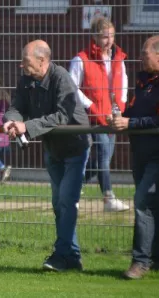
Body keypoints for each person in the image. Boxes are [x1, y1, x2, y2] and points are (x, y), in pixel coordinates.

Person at [3, 40, 91, 272]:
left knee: (66, 201)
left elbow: (62, 116)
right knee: (58, 203)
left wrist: (27, 127)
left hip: (75, 148)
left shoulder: (61, 77)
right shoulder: (26, 80)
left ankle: (61, 255)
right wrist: (11, 120)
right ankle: (71, 257)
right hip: (53, 149)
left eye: (26, 61)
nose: (21, 65)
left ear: (42, 61)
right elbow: (16, 107)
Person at [109, 35, 159, 280]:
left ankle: (140, 261)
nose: (141, 57)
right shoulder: (146, 80)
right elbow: (133, 109)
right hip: (141, 151)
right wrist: (120, 117)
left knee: (142, 200)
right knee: (151, 203)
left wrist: (130, 122)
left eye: (145, 53)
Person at [69, 18, 129, 212]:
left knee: (103, 160)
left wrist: (120, 107)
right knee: (103, 155)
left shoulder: (118, 58)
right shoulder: (81, 59)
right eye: (104, 37)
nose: (109, 40)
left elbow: (123, 85)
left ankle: (73, 189)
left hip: (113, 117)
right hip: (93, 118)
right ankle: (109, 198)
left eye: (111, 36)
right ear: (94, 37)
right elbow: (73, 89)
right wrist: (91, 106)